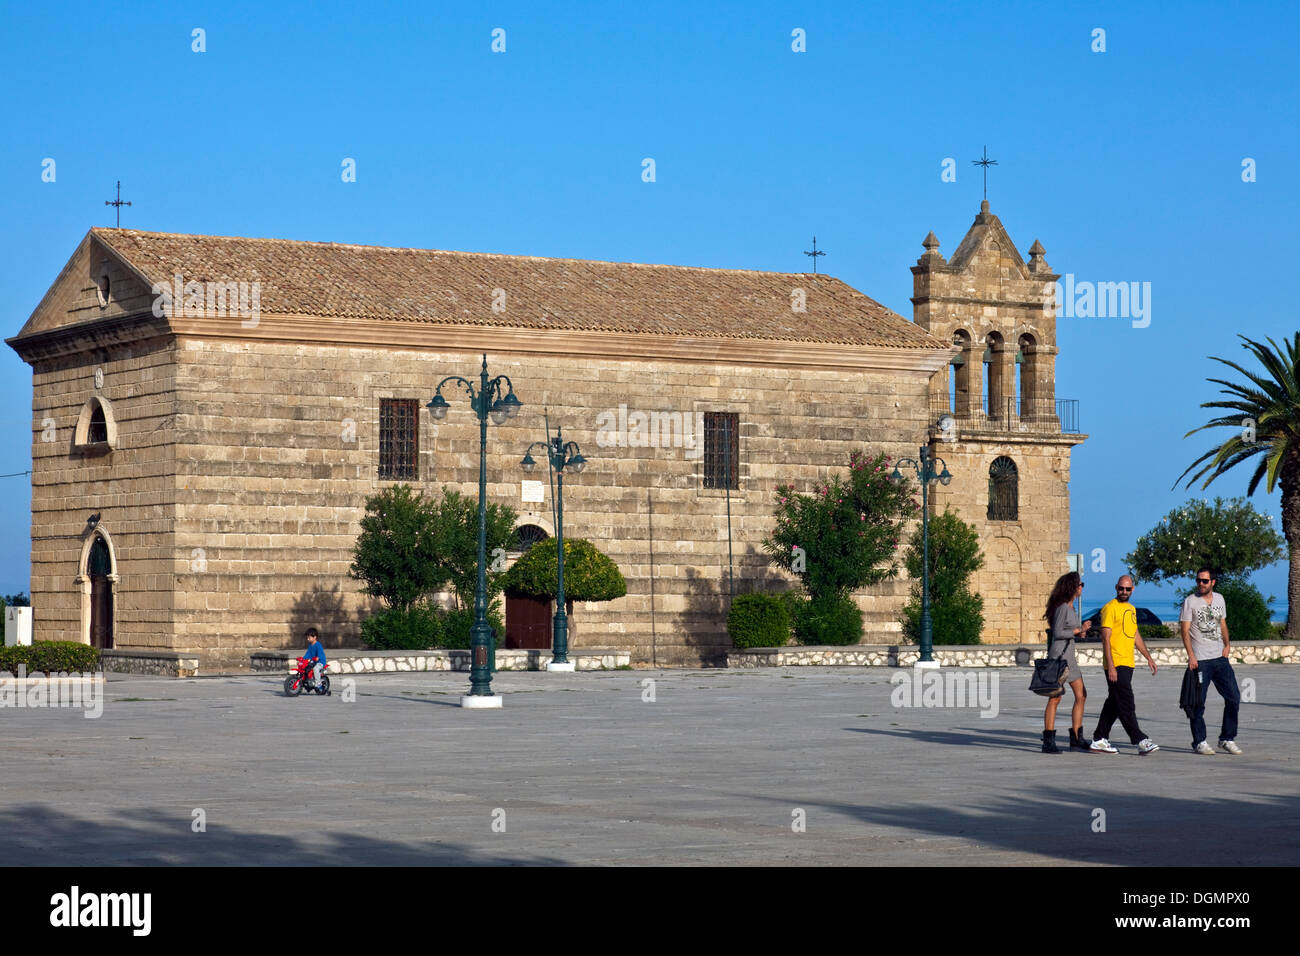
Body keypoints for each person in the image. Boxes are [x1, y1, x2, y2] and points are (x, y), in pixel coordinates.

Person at [1090, 574, 1160, 755]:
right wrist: (1111, 666)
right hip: (1116, 662)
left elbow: (1135, 635)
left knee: (1114, 701)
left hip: (1128, 663)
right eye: (1121, 588)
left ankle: (1099, 739)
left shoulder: (1131, 609)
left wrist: (1148, 657)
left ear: (1132, 590)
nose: (1124, 591)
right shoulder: (1109, 608)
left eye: (1127, 589)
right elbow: (1105, 639)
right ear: (1116, 587)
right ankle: (1140, 739)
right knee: (1126, 701)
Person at [1180, 568, 1242, 755]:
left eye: (1205, 581)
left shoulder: (1220, 599)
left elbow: (1222, 623)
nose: (1201, 584)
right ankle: (1199, 741)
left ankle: (1226, 738)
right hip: (1201, 660)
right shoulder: (1190, 601)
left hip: (1220, 658)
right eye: (1198, 580)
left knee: (1234, 697)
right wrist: (1191, 655)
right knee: (1197, 703)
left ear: (1213, 582)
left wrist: (1227, 644)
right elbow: (1184, 630)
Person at [1042, 571, 1092, 753]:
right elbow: (1057, 633)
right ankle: (1048, 740)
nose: (1082, 587)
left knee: (1081, 695)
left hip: (1070, 659)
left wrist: (1081, 632)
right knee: (1055, 697)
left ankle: (1077, 737)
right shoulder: (1063, 607)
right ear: (1072, 586)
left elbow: (1069, 632)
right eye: (1080, 584)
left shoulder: (1071, 608)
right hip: (1059, 658)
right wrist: (1078, 631)